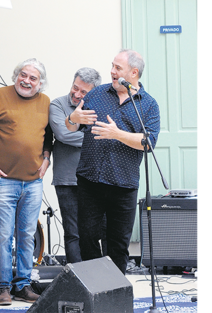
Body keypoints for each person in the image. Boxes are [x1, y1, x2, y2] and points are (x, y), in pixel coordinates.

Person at [66, 49, 160, 274]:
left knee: (118, 244)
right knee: (87, 238)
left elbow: (148, 143)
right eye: (112, 66)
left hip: (123, 184)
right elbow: (71, 126)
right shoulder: (97, 94)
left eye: (118, 68)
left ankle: (115, 294)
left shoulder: (148, 105)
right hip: (90, 180)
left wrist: (117, 134)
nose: (112, 71)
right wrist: (72, 118)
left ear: (134, 72)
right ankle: (94, 289)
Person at [0, 58, 52, 305]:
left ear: (40, 84)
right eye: (23, 75)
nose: (26, 81)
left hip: (32, 182)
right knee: (3, 235)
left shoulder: (45, 102)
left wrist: (47, 158)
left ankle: (23, 285)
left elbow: (49, 136)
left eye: (33, 78)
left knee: (27, 235)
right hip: (3, 181)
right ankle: (3, 287)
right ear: (16, 76)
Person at [49, 67, 102, 264]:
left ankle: (98, 278)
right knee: (73, 233)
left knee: (96, 232)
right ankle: (76, 281)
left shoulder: (98, 107)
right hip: (67, 179)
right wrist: (95, 137)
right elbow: (63, 134)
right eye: (75, 88)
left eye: (83, 92)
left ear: (94, 92)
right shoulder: (58, 105)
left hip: (94, 178)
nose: (76, 94)